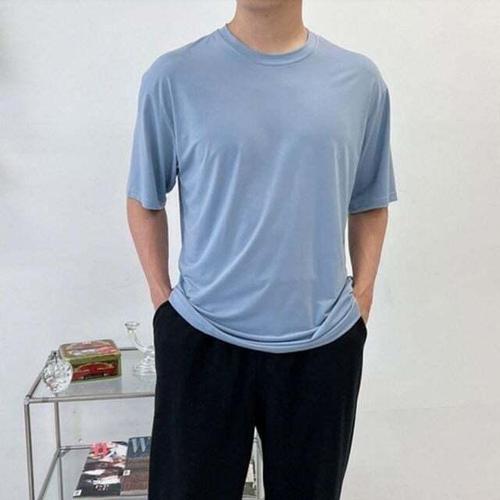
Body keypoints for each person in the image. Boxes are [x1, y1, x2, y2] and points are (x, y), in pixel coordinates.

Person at [126, 1, 397, 498]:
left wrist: (362, 299)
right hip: (203, 338)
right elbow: (144, 199)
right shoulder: (174, 77)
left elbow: (370, 201)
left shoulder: (359, 82)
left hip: (322, 343)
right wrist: (163, 303)